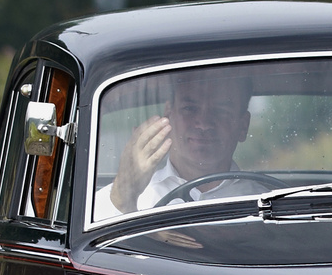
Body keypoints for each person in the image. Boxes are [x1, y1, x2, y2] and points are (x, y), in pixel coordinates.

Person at [96, 74, 253, 220]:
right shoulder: (111, 201)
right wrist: (123, 200)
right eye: (190, 108)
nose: (203, 124)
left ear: (243, 126)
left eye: (221, 111)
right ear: (168, 115)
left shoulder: (265, 203)